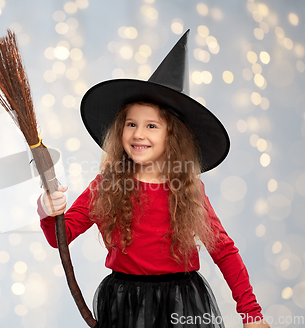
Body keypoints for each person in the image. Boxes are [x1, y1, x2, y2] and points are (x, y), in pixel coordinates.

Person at [37, 31, 270, 328]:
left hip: (179, 302)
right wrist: (48, 210)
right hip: (124, 304)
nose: (138, 134)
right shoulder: (107, 185)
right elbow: (62, 237)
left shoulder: (188, 189)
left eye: (151, 126)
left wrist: (251, 313)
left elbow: (223, 250)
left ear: (172, 136)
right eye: (131, 124)